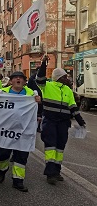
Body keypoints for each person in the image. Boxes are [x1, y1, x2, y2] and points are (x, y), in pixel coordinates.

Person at [36, 56, 86, 185]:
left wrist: (80, 121)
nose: (67, 78)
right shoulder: (47, 86)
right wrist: (43, 64)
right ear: (59, 78)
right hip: (50, 122)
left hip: (63, 123)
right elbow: (40, 78)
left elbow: (73, 107)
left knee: (60, 147)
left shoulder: (68, 91)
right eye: (65, 76)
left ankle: (57, 171)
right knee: (51, 147)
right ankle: (50, 173)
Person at [0, 71, 41, 192]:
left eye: (21, 78)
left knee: (21, 157)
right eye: (15, 78)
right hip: (6, 130)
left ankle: (18, 181)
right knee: (2, 154)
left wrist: (38, 101)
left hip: (24, 130)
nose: (18, 80)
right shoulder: (2, 92)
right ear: (11, 81)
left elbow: (39, 106)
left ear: (25, 82)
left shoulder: (31, 94)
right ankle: (2, 170)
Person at [27, 67, 43, 132]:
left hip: (41, 97)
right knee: (34, 112)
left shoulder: (44, 79)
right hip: (33, 98)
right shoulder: (32, 78)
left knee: (40, 113)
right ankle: (33, 126)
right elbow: (28, 87)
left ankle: (38, 127)